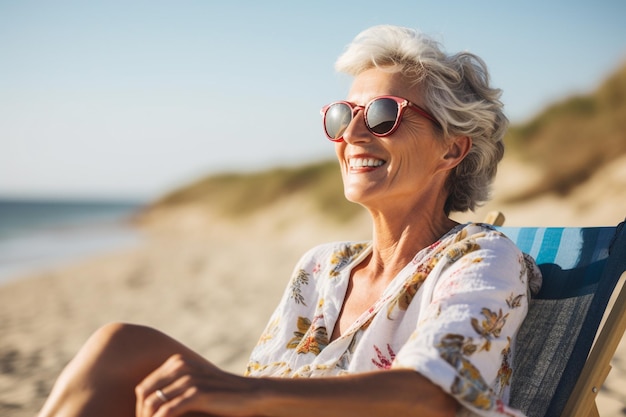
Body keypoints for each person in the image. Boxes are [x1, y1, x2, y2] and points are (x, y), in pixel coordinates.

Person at [37, 25, 540, 417]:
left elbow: (434, 397)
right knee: (122, 345)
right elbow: (264, 380)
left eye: (385, 114)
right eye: (343, 115)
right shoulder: (322, 268)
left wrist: (244, 393)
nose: (354, 133)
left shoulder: (479, 258)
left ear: (452, 149)